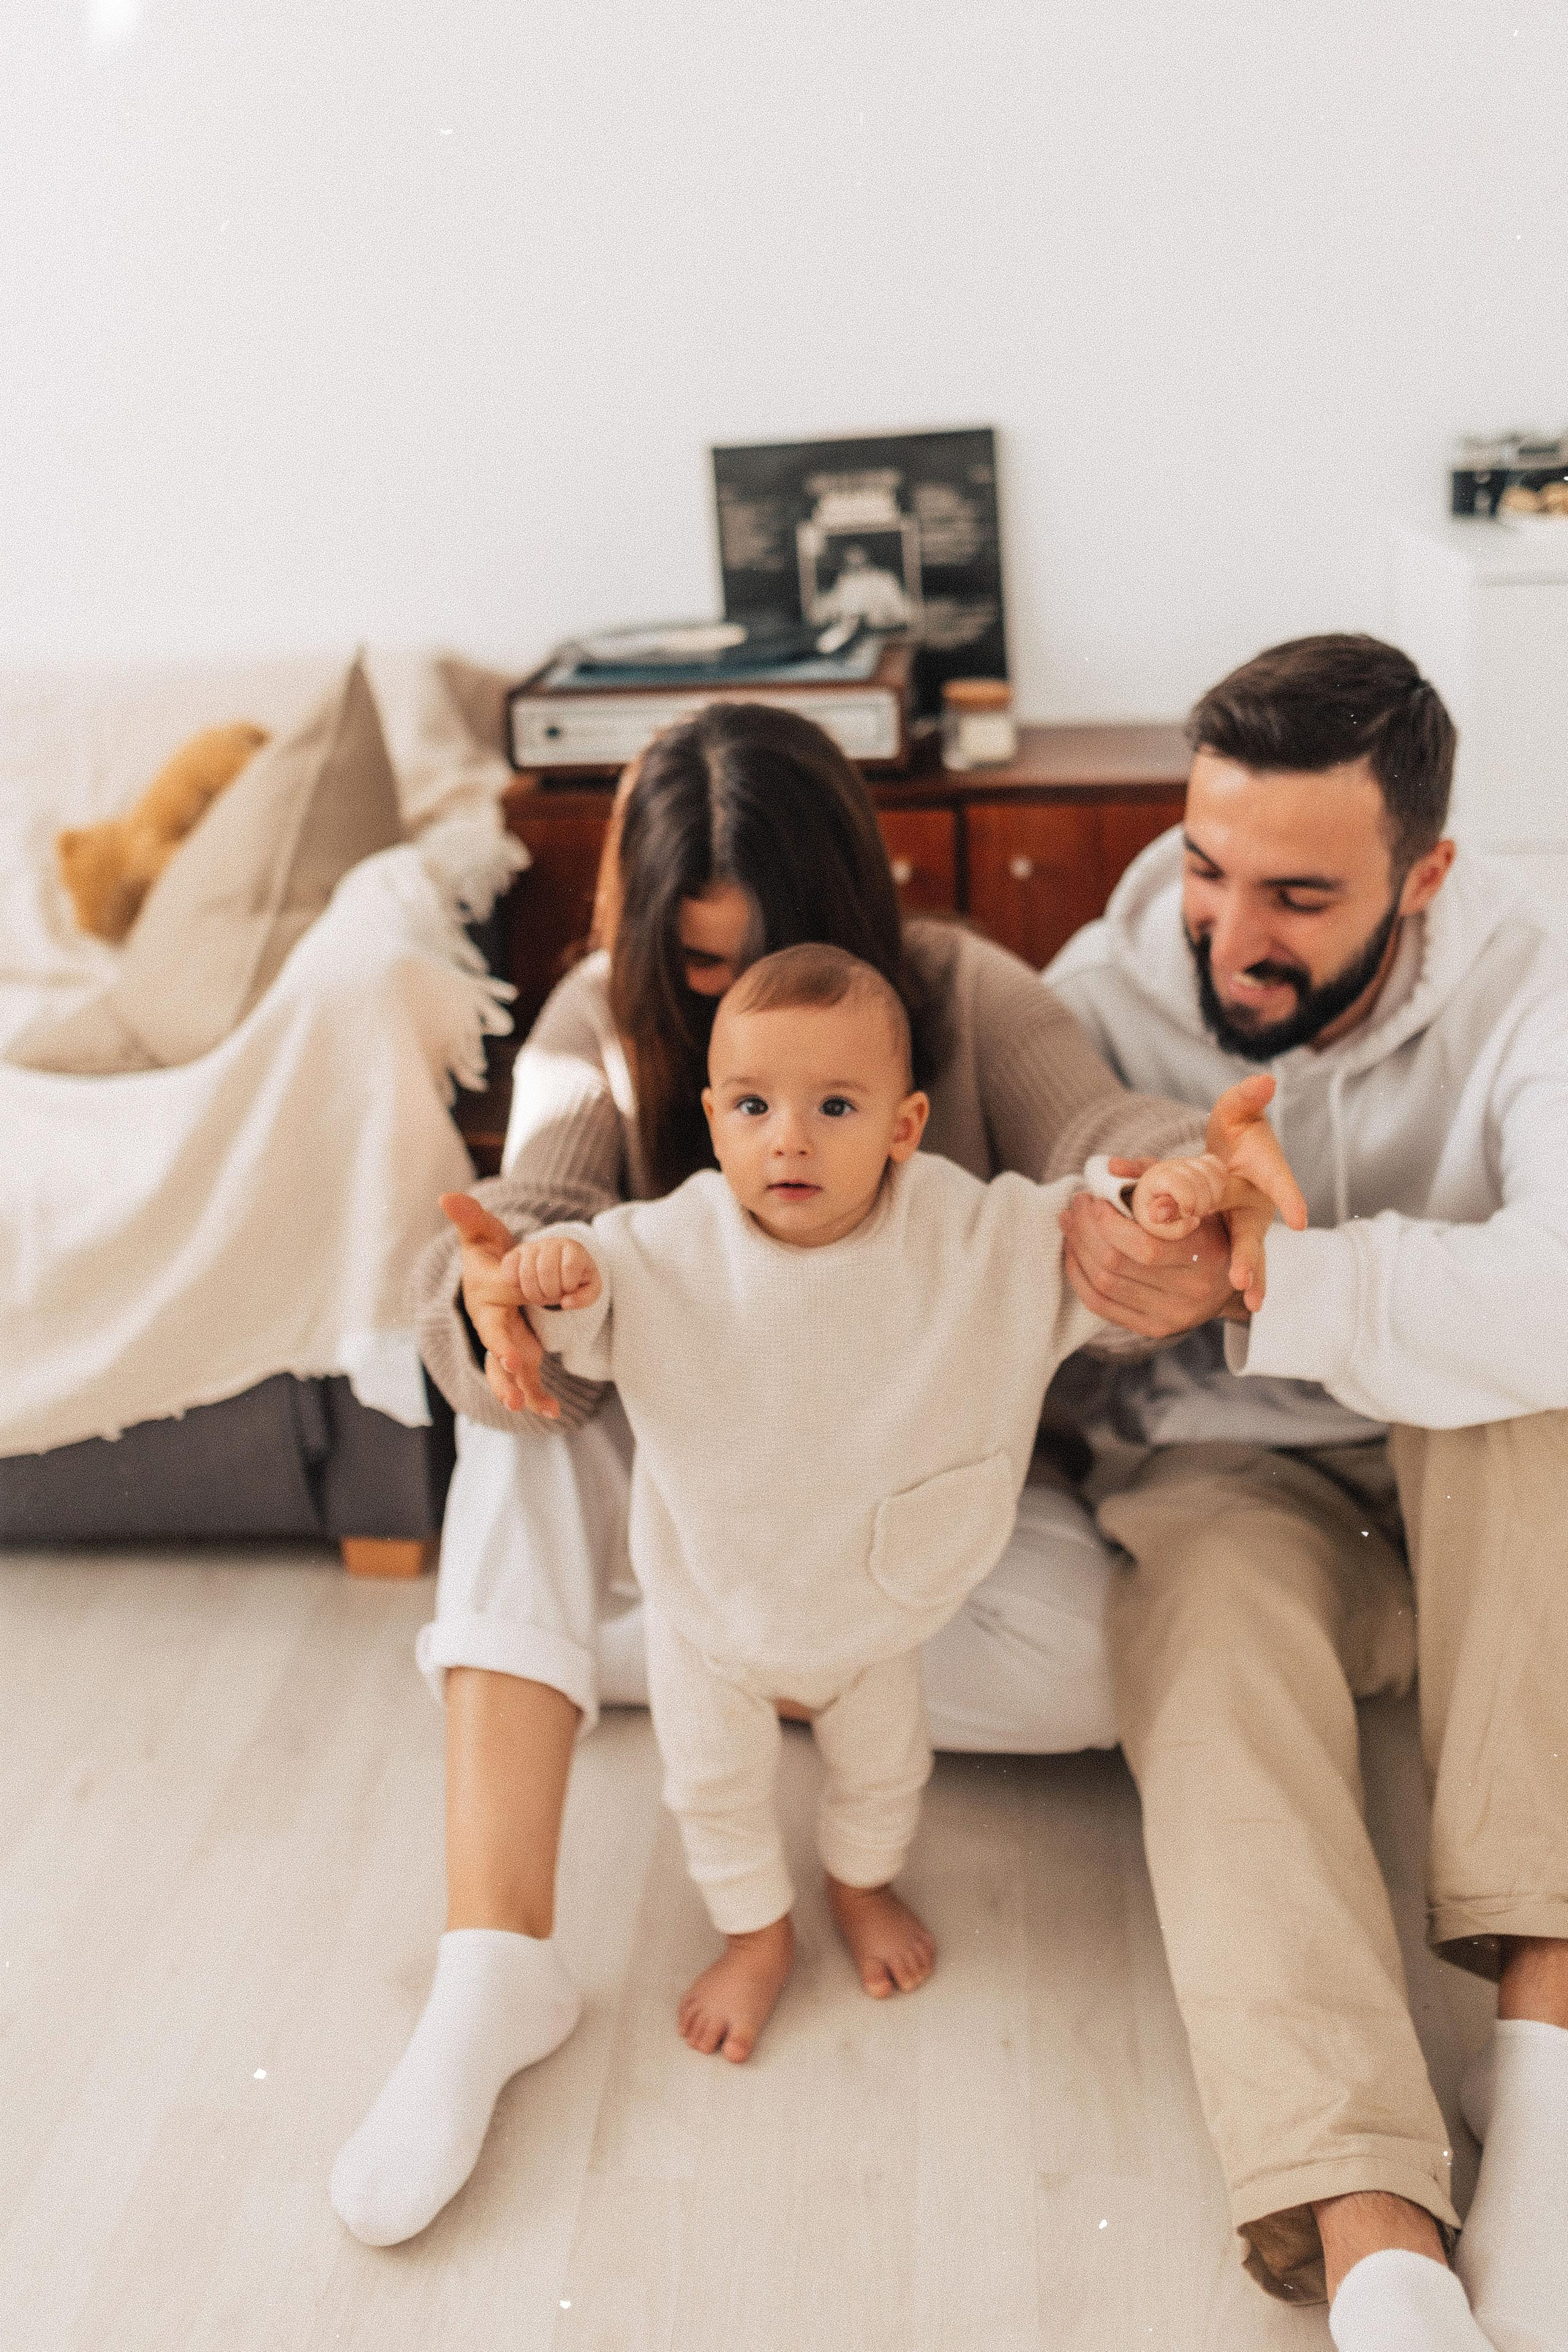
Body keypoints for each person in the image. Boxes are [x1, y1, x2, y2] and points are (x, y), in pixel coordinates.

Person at [328, 699, 1217, 2248]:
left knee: (1104, 1669)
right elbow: (531, 1210)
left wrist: (1173, 1190)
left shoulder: (961, 988)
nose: (737, 1004)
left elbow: (1100, 1134)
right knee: (512, 1436)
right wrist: (500, 1302)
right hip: (699, 1505)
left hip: (898, 1535)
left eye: (780, 952)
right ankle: (493, 1968)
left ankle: (586, 1667)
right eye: (699, 968)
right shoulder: (595, 1020)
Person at [1050, 634, 1568, 2352]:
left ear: (1423, 875)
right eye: (1207, 866)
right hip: (1232, 1473)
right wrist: (1126, 1252)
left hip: (1468, 1471)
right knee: (1210, 1648)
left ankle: (1546, 2075)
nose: (1229, 931)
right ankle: (1373, 2239)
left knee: (1524, 1396)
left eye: (1297, 894)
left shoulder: (1532, 974)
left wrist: (1276, 1279)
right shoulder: (1101, 989)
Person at [513, 943, 1303, 2064]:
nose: (789, 1138)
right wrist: (550, 1276)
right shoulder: (663, 1245)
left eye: (835, 1106)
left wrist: (1163, 1194)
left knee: (887, 1772)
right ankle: (756, 1932)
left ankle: (860, 1884)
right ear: (714, 1120)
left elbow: (1090, 1216)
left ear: (904, 1124)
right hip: (711, 1612)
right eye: (754, 1106)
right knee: (713, 1789)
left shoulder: (968, 1235)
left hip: (878, 1606)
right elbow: (578, 1291)